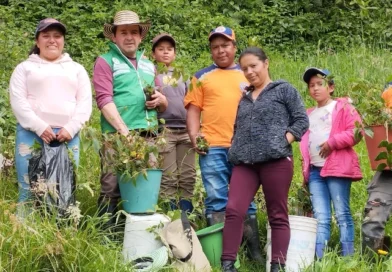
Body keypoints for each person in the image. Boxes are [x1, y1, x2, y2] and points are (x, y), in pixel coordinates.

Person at [220, 47, 309, 272]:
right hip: (245, 164)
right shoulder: (245, 98)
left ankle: (277, 266)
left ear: (266, 63)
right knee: (233, 210)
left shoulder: (283, 90)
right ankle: (227, 265)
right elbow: (239, 127)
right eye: (245, 68)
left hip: (276, 161)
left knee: (277, 214)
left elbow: (301, 120)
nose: (249, 72)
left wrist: (283, 141)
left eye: (254, 66)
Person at [184, 27, 263, 261]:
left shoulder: (248, 74)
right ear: (211, 51)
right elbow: (193, 109)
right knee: (216, 197)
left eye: (225, 45)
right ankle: (221, 255)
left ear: (234, 47)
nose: (220, 51)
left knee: (246, 200)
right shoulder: (201, 76)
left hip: (244, 147)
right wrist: (194, 136)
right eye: (215, 47)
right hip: (212, 147)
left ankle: (254, 253)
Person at [9, 18, 92, 218]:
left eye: (57, 36)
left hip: (67, 136)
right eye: (46, 36)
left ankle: (60, 233)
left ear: (63, 41)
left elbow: (85, 103)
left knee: (63, 187)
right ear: (37, 42)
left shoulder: (76, 69)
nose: (52, 40)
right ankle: (26, 233)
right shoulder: (24, 68)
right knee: (29, 187)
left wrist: (71, 128)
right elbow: (18, 101)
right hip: (31, 134)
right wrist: (39, 126)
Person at [93, 10, 168, 228]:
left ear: (140, 36)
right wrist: (124, 133)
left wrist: (160, 100)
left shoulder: (148, 64)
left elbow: (162, 104)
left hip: (149, 136)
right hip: (117, 136)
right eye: (123, 32)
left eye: (134, 32)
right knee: (111, 185)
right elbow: (104, 100)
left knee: (144, 186)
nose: (129, 37)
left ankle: (138, 234)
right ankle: (105, 237)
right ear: (114, 36)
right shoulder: (106, 62)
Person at [299, 67, 362, 259]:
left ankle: (347, 259)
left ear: (331, 87)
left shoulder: (342, 107)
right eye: (311, 86)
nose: (316, 89)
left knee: (342, 214)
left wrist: (332, 143)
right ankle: (319, 259)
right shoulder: (308, 113)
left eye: (320, 84)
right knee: (321, 217)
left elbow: (357, 131)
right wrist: (306, 172)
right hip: (316, 172)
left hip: (337, 168)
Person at [151, 33, 196, 213]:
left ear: (175, 53)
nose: (165, 53)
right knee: (168, 175)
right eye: (161, 49)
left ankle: (187, 212)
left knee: (188, 174)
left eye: (169, 49)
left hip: (186, 130)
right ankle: (170, 212)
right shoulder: (151, 73)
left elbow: (192, 100)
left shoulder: (182, 75)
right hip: (164, 131)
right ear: (153, 54)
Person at [362, 82, 392, 255]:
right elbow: (377, 120)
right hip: (387, 169)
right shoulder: (388, 89)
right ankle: (373, 264)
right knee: (373, 216)